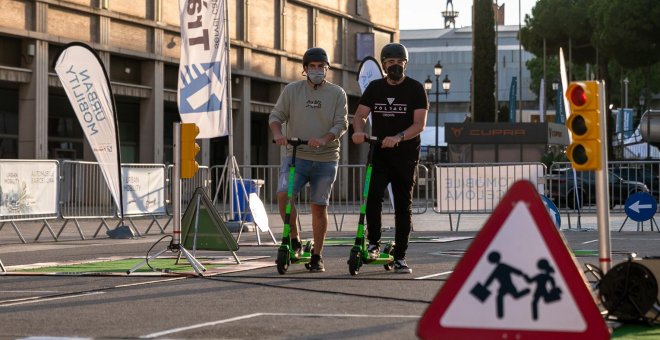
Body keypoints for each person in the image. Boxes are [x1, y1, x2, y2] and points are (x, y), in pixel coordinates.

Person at [351, 42, 428, 274]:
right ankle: (373, 243)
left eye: (399, 63)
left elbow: (419, 124)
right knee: (372, 197)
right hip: (379, 153)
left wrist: (399, 137)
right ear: (383, 65)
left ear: (405, 64)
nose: (395, 66)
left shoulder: (415, 89)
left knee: (403, 206)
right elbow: (360, 115)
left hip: (405, 156)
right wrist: (358, 130)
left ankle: (401, 256)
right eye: (390, 63)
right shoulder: (375, 88)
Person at [269, 47, 349, 272]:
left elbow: (341, 123)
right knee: (284, 194)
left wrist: (324, 139)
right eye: (312, 66)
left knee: (318, 205)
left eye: (320, 67)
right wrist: (277, 134)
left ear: (327, 69)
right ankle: (294, 236)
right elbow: (276, 116)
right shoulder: (292, 90)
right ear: (304, 69)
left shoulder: (337, 93)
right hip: (297, 154)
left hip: (326, 157)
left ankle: (317, 255)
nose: (316, 70)